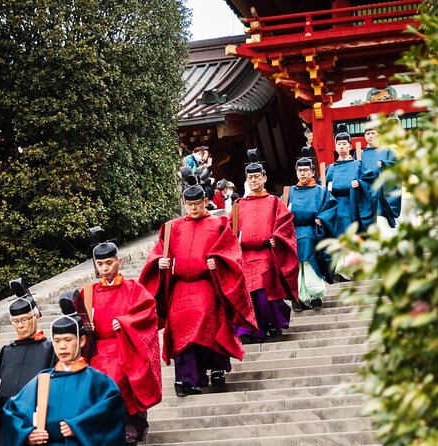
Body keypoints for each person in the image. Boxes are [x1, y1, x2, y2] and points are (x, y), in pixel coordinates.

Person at [139, 176, 257, 396]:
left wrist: (219, 261)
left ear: (205, 202)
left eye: (197, 204)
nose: (193, 208)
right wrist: (159, 262)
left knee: (211, 323)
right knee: (180, 329)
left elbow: (231, 252)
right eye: (189, 205)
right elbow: (158, 252)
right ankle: (186, 379)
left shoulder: (219, 224)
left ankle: (218, 368)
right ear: (184, 204)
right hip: (180, 287)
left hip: (207, 285)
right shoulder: (171, 228)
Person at [79, 239, 162, 446]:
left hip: (127, 349)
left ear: (119, 262)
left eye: (109, 263)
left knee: (126, 380)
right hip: (98, 352)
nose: (105, 268)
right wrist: (85, 330)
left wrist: (126, 323)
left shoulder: (134, 289)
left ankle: (130, 430)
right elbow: (78, 323)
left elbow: (149, 314)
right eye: (100, 264)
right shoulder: (88, 294)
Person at [2, 313, 126, 445]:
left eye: (68, 340)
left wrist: (79, 427)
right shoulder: (43, 379)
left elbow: (112, 417)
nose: (62, 346)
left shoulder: (98, 381)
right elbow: (12, 411)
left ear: (82, 341)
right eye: (57, 341)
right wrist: (27, 434)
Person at [0, 280, 56, 446]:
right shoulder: (7, 351)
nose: (20, 326)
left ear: (36, 316)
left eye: (24, 319)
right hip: (6, 420)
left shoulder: (50, 348)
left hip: (35, 419)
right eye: (15, 321)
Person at [232, 150, 299, 344]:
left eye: (256, 176)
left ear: (264, 178)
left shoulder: (274, 202)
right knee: (245, 295)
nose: (253, 180)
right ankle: (248, 329)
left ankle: (272, 323)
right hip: (244, 256)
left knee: (264, 293)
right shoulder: (239, 205)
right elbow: (229, 229)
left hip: (266, 255)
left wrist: (277, 237)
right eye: (250, 177)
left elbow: (285, 224)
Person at [282, 150, 338, 311]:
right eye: (300, 170)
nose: (303, 173)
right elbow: (279, 212)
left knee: (310, 265)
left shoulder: (321, 191)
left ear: (313, 172)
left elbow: (331, 207)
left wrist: (322, 218)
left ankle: (315, 295)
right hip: (292, 235)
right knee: (295, 267)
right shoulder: (289, 192)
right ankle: (298, 297)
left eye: (306, 170)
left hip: (313, 233)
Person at [355, 114, 402, 236]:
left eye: (373, 133)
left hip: (381, 197)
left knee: (383, 228)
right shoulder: (359, 154)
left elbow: (397, 167)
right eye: (367, 133)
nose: (370, 136)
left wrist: (385, 164)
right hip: (365, 196)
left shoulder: (387, 151)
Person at [325, 131, 376, 235]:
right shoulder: (330, 168)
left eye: (344, 144)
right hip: (335, 209)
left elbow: (371, 181)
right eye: (338, 144)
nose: (341, 147)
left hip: (353, 206)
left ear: (350, 146)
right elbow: (320, 191)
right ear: (335, 147)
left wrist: (360, 183)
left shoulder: (358, 164)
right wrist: (326, 188)